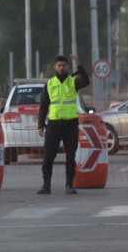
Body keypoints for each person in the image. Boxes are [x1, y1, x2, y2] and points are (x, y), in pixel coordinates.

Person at [37, 55, 90, 195]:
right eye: (59, 65)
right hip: (53, 124)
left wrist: (79, 65)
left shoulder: (73, 81)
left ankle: (69, 185)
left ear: (67, 67)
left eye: (64, 65)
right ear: (55, 67)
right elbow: (43, 106)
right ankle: (46, 185)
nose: (61, 67)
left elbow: (86, 81)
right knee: (48, 156)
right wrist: (40, 125)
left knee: (70, 156)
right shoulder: (49, 84)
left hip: (70, 124)